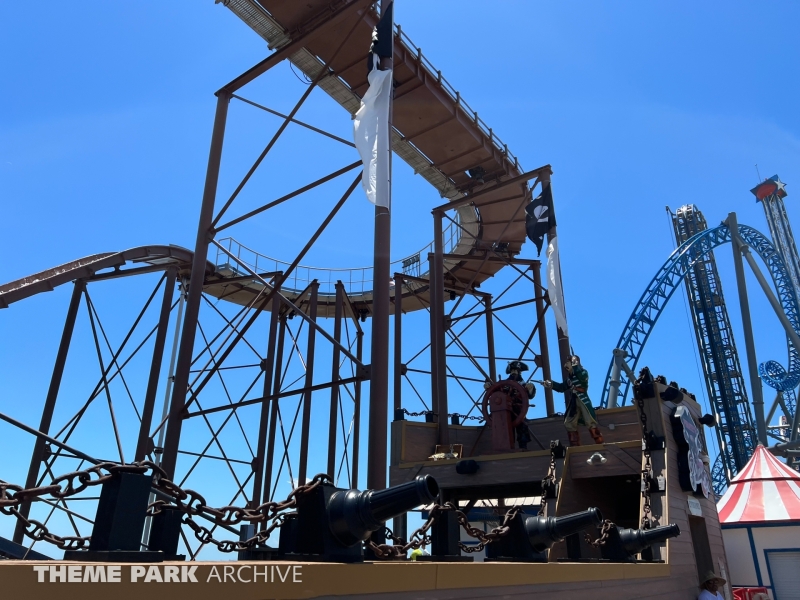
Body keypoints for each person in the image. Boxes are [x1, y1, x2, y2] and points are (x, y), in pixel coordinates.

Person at [543, 355, 603, 446]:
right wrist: (551, 384)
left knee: (589, 420)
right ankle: (575, 445)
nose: (565, 365)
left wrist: (575, 366)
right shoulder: (569, 379)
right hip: (574, 401)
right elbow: (561, 387)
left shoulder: (582, 373)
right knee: (569, 422)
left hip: (583, 400)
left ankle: (599, 441)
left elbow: (583, 379)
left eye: (568, 362)